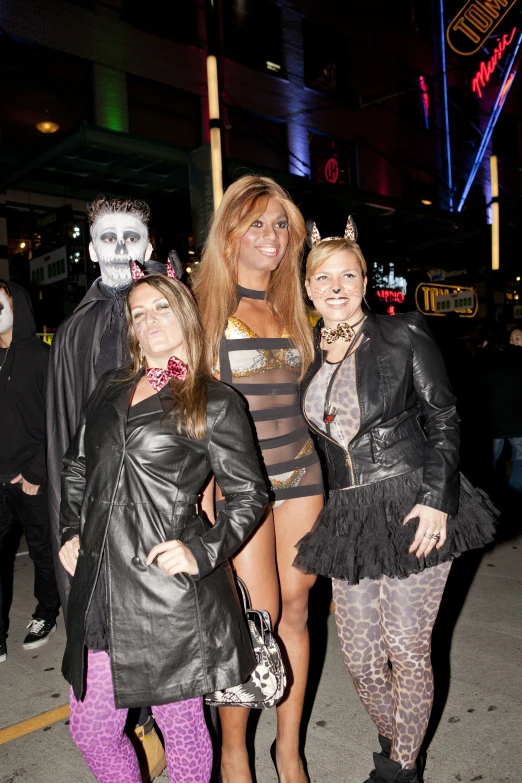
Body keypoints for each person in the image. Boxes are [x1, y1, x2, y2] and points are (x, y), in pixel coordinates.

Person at [293, 222, 497, 783]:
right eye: (323, 278)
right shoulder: (307, 350)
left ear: (365, 282)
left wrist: (437, 498)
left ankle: (402, 766)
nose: (336, 287)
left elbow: (445, 416)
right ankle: (403, 730)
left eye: (348, 275)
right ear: (308, 288)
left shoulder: (404, 331)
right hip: (349, 513)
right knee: (360, 659)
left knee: (407, 647)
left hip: (412, 497)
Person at [58, 265, 268, 783]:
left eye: (162, 307)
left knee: (183, 730)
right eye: (139, 312)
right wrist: (68, 530)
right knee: (90, 730)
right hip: (102, 582)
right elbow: (79, 464)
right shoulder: (111, 384)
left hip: (169, 593)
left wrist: (202, 552)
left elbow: (249, 494)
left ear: (186, 316)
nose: (150, 319)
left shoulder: (215, 400)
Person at [193, 175, 323, 783]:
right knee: (254, 619)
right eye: (257, 224)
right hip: (238, 486)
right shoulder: (201, 310)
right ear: (229, 235)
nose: (271, 236)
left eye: (280, 225)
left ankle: (289, 751)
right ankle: (235, 750)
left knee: (296, 611)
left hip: (301, 474)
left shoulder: (299, 306)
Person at [46, 195, 165, 776]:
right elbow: (62, 445)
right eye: (107, 237)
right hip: (97, 523)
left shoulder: (173, 314)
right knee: (99, 678)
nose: (119, 247)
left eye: (130, 236)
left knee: (178, 691)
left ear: (148, 243)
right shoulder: (74, 333)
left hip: (167, 523)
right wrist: (70, 526)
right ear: (91, 248)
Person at [0, 280, 60, 662]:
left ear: (15, 306)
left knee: (42, 552)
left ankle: (45, 614)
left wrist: (38, 472)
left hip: (31, 479)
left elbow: (58, 419)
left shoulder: (41, 356)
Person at [479, 331, 522, 497]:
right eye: (511, 339)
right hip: (511, 422)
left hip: (495, 422)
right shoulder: (512, 357)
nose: (514, 342)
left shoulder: (486, 357)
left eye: (518, 339)